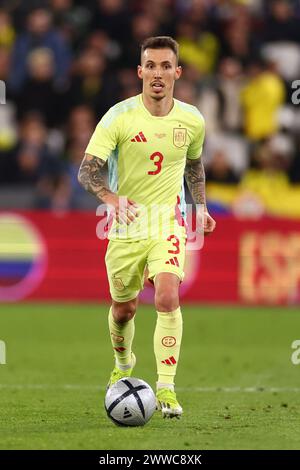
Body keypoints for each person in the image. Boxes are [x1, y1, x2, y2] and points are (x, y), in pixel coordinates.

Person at [78, 36, 216, 418]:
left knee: (167, 297)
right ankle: (123, 367)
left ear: (178, 72)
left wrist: (199, 207)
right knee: (123, 310)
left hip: (166, 222)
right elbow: (86, 171)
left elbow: (193, 165)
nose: (158, 74)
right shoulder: (118, 117)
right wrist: (110, 198)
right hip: (123, 226)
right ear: (140, 72)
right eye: (150, 66)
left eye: (165, 66)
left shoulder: (191, 119)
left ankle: (167, 390)